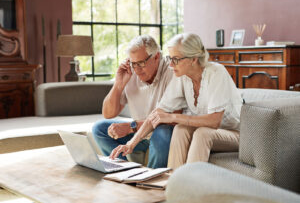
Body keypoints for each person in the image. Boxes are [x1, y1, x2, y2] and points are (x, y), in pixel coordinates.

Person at [109, 33, 243, 170]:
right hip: (211, 131)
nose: (171, 64)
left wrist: (172, 117)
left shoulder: (216, 73)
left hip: (236, 134)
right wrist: (131, 143)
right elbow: (157, 113)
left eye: (176, 59)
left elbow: (215, 121)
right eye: (170, 58)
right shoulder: (182, 76)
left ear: (194, 59)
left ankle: (191, 188)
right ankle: (172, 182)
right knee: (180, 129)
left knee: (202, 134)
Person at [92, 35, 174, 168]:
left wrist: (132, 127)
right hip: (138, 132)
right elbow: (108, 113)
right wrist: (119, 84)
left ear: (156, 57)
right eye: (133, 63)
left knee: (163, 132)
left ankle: (150, 180)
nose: (137, 69)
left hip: (160, 130)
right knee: (100, 128)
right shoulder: (130, 71)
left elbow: (167, 118)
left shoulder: (171, 71)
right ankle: (123, 172)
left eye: (141, 63)